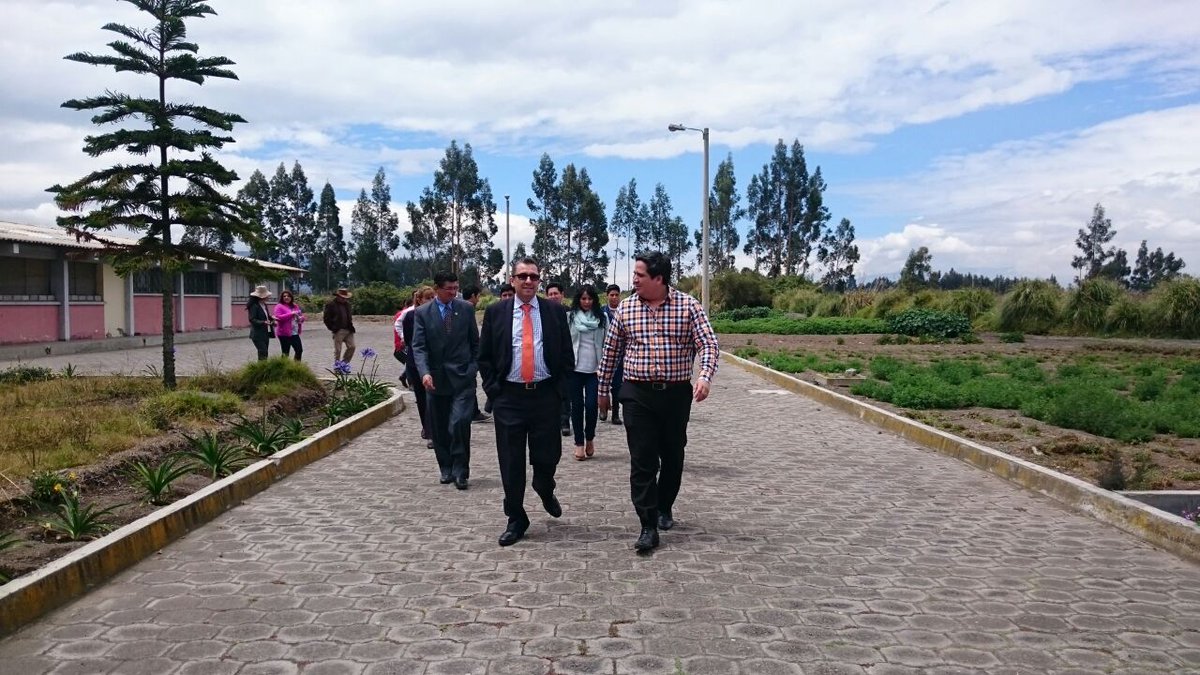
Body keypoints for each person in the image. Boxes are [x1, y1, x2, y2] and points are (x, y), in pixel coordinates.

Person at [597, 251, 719, 553]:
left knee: (673, 456)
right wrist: (601, 391)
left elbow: (709, 344)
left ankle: (665, 506)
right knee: (642, 459)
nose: (633, 280)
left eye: (639, 275)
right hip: (637, 394)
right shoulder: (625, 309)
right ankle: (647, 525)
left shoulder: (688, 306)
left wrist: (704, 376)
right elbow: (611, 352)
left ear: (658, 278)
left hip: (675, 395)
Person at [478, 258, 574, 546]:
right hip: (509, 398)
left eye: (534, 276)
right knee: (511, 462)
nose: (529, 281)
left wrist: (560, 391)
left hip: (545, 396)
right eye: (523, 276)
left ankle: (544, 486)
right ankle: (516, 517)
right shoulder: (496, 312)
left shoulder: (555, 311)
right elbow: (484, 356)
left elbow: (566, 355)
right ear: (512, 279)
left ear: (539, 280)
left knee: (548, 456)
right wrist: (494, 389)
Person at [412, 272, 478, 489]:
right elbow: (418, 346)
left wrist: (472, 368)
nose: (453, 292)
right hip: (436, 379)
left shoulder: (466, 309)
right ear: (437, 288)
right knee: (440, 427)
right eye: (449, 288)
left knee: (459, 423)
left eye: (455, 288)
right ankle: (446, 467)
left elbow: (475, 343)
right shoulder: (422, 313)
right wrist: (424, 372)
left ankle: (461, 470)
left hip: (462, 379)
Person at [567, 285, 606, 461]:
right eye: (583, 299)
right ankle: (579, 443)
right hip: (574, 370)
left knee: (591, 406)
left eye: (590, 299)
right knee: (577, 407)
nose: (587, 302)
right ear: (578, 300)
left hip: (594, 370)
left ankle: (590, 437)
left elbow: (608, 343)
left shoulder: (602, 318)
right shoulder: (570, 317)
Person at [402, 286, 435, 449]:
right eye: (428, 298)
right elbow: (410, 340)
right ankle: (427, 428)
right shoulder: (410, 316)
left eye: (433, 297)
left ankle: (433, 431)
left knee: (431, 397)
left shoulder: (437, 315)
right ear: (419, 299)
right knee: (421, 398)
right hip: (415, 362)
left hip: (433, 362)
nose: (431, 301)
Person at [460, 284, 491, 423]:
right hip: (466, 354)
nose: (478, 299)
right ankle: (472, 412)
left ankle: (473, 411)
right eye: (478, 296)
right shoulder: (467, 309)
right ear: (473, 295)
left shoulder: (458, 306)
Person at [543, 281, 570, 436]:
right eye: (550, 294)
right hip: (549, 359)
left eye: (556, 294)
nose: (553, 297)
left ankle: (565, 420)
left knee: (565, 392)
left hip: (565, 359)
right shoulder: (542, 312)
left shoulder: (570, 313)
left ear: (562, 295)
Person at [600, 283, 624, 424]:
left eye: (616, 295)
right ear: (607, 296)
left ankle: (615, 413)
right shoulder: (601, 312)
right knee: (602, 384)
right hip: (603, 354)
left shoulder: (624, 311)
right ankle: (602, 409)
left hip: (620, 356)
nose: (614, 297)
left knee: (617, 386)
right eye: (611, 295)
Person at [322, 288, 356, 363]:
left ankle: (344, 364)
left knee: (352, 347)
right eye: (342, 298)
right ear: (338, 296)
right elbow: (326, 318)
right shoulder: (331, 304)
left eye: (345, 298)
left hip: (348, 329)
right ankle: (337, 367)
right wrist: (332, 328)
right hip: (338, 330)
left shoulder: (348, 305)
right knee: (338, 350)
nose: (344, 299)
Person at [273, 290, 305, 361]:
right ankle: (283, 368)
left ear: (291, 297)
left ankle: (296, 368)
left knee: (299, 350)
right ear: (282, 298)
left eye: (288, 296)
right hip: (284, 333)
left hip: (294, 332)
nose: (286, 297)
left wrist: (300, 318)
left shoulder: (295, 306)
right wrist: (291, 314)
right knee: (285, 353)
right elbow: (278, 317)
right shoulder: (279, 306)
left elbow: (302, 316)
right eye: (284, 296)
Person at [246, 285, 275, 361]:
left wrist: (272, 318)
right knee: (263, 352)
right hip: (257, 334)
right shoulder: (254, 306)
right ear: (262, 296)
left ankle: (263, 369)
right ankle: (261, 370)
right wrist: (263, 322)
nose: (268, 297)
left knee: (264, 354)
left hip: (265, 332)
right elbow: (252, 319)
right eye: (267, 296)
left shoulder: (264, 305)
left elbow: (266, 315)